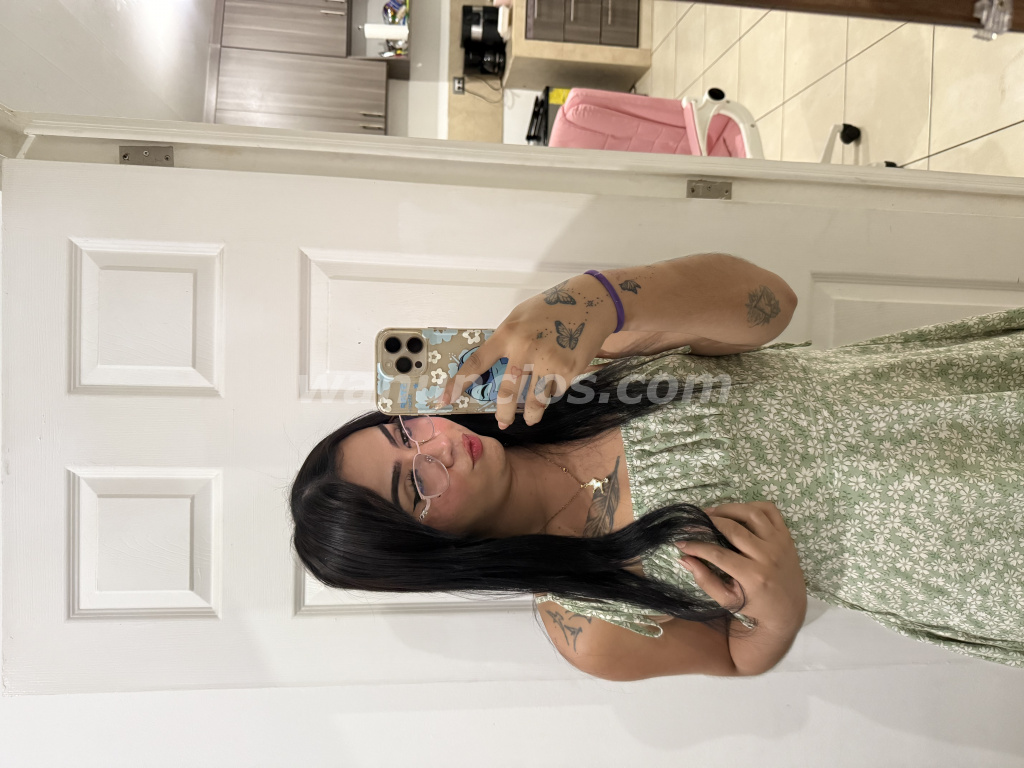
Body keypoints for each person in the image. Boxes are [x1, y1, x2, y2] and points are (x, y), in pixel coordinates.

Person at [290, 253, 1024, 679]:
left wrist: (599, 300)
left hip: (955, 397)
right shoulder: (586, 624)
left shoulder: (575, 372)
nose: (438, 445)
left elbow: (770, 304)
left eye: (405, 430)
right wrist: (778, 614)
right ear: (433, 550)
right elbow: (735, 658)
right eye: (415, 483)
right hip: (967, 556)